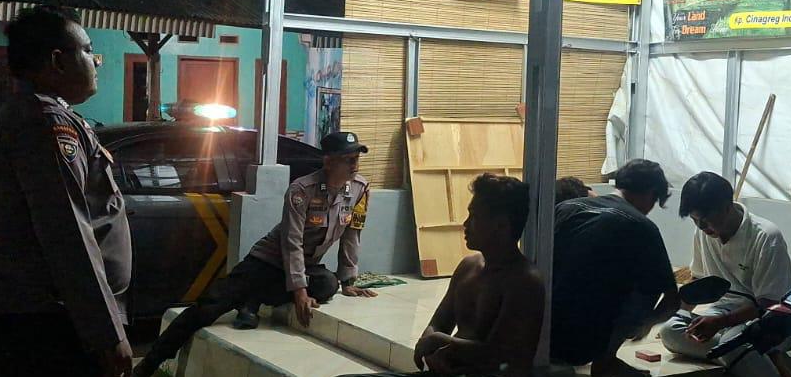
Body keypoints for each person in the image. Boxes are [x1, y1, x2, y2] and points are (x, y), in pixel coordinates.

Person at [0, 6, 132, 377]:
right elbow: (68, 233)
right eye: (88, 51)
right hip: (39, 324)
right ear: (57, 61)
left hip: (30, 317)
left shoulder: (23, 115)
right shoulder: (45, 124)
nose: (96, 62)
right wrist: (105, 332)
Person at [132, 131, 377, 377]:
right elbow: (291, 241)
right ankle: (148, 365)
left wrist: (348, 280)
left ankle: (253, 298)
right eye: (348, 159)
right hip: (266, 261)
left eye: (356, 158)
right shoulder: (302, 189)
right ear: (329, 162)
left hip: (304, 264)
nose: (354, 165)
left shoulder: (360, 189)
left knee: (328, 284)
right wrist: (300, 291)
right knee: (209, 307)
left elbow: (352, 234)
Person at [550, 159, 679, 377]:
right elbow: (671, 300)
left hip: (542, 331)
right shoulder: (642, 227)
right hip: (585, 343)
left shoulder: (566, 208)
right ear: (651, 193)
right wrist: (646, 324)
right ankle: (606, 361)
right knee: (647, 282)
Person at [410, 174, 545, 376]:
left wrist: (441, 342)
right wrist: (429, 342)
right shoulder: (468, 267)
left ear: (501, 225)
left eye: (474, 217)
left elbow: (502, 356)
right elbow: (439, 322)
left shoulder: (524, 281)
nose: (465, 224)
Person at [660, 172, 791, 376]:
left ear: (727, 207)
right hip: (722, 313)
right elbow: (699, 282)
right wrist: (678, 313)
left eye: (705, 220)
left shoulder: (765, 236)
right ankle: (749, 353)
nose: (701, 227)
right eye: (695, 220)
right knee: (670, 331)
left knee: (732, 343)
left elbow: (769, 304)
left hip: (765, 319)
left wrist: (720, 323)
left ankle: (742, 350)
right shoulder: (703, 234)